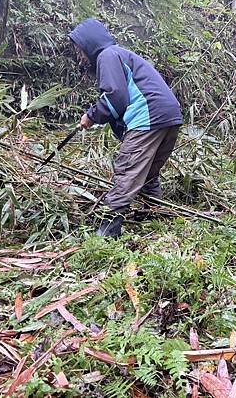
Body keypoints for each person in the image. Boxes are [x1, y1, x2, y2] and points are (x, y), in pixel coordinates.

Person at [69, 18, 183, 238]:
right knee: (148, 174)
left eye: (80, 49)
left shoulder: (108, 56)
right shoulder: (120, 54)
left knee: (127, 172)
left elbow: (116, 96)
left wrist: (91, 116)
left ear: (89, 44)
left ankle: (106, 233)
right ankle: (156, 218)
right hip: (170, 117)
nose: (80, 55)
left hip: (149, 116)